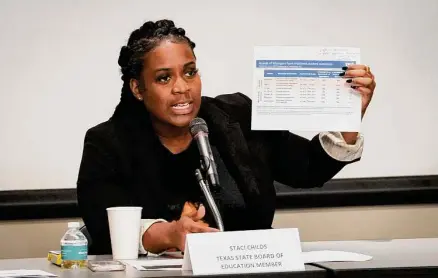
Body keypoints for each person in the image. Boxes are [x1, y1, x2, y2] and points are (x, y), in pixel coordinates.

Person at [76, 19, 376, 255]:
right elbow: (105, 227)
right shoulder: (108, 143)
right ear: (138, 88)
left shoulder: (236, 117)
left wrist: (349, 114)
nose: (182, 88)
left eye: (190, 72)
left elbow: (308, 168)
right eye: (164, 78)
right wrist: (169, 234)